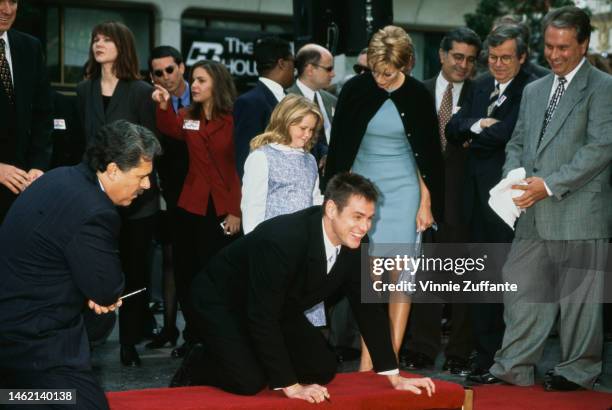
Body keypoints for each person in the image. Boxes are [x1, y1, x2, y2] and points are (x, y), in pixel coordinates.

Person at [171, 172, 436, 403]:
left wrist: (394, 376)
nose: (364, 227)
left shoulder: (356, 244)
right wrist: (292, 386)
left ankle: (244, 353)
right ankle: (199, 361)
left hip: (274, 304)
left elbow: (368, 309)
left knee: (322, 368)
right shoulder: (284, 240)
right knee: (248, 381)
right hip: (220, 299)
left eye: (369, 218)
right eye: (357, 217)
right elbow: (262, 317)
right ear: (331, 209)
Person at [480, 6, 611, 391]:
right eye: (550, 47)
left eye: (564, 47)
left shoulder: (604, 88)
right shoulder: (536, 89)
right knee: (521, 291)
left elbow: (601, 147)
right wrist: (514, 175)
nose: (554, 55)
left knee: (579, 304)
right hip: (531, 209)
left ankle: (577, 371)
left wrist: (548, 184)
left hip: (579, 209)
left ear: (584, 44)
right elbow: (518, 140)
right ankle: (513, 367)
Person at [0, 120, 161, 410]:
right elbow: (107, 289)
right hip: (35, 343)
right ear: (112, 170)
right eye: (141, 176)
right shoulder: (95, 211)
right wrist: (100, 296)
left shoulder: (59, 177)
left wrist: (96, 294)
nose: (147, 185)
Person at [324, 25, 444, 371]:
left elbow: (427, 155)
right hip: (362, 192)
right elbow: (340, 148)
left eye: (388, 73)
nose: (379, 78)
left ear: (405, 64)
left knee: (401, 279)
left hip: (404, 191)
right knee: (370, 282)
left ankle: (384, 364)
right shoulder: (355, 90)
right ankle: (368, 365)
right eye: (375, 70)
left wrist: (426, 203)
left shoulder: (419, 96)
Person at [445, 25, 537, 383]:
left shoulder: (534, 86)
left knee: (508, 285)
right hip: (473, 199)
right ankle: (484, 359)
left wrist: (473, 134)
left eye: (506, 58)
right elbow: (454, 128)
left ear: (523, 57)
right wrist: (481, 124)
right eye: (493, 57)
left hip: (508, 203)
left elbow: (514, 133)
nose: (497, 64)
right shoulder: (480, 84)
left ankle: (510, 358)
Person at [76, 21, 159, 367]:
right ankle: (86, 340)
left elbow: (153, 145)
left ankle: (129, 342)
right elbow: (80, 142)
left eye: (107, 39)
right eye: (95, 38)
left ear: (122, 46)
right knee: (90, 267)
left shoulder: (141, 91)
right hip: (94, 195)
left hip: (136, 201)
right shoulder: (84, 90)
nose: (99, 44)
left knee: (134, 270)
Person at [404, 27, 481, 376]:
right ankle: (421, 348)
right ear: (442, 54)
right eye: (457, 57)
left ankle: (460, 351)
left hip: (464, 200)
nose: (463, 65)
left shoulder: (482, 94)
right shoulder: (414, 91)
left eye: (469, 59)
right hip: (418, 197)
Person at [153, 59, 242, 358]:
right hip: (190, 206)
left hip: (222, 208)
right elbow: (170, 128)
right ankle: (194, 336)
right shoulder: (187, 116)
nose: (195, 85)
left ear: (217, 83)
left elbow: (237, 170)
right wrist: (164, 105)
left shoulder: (233, 119)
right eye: (193, 80)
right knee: (188, 272)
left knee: (215, 274)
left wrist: (236, 211)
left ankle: (220, 336)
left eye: (201, 80)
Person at [145, 45, 190, 353]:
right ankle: (170, 328)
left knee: (193, 261)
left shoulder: (201, 94)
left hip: (202, 191)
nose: (165, 77)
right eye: (158, 73)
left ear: (181, 67)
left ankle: (194, 332)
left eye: (169, 70)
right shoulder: (152, 103)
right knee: (171, 259)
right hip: (167, 190)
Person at [0, 0, 52, 223]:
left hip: (23, 190)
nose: (7, 9)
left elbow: (43, 114)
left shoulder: (30, 47)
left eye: (12, 1)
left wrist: (38, 166)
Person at [241, 94, 323, 234]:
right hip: (271, 240)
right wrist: (253, 245)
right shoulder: (261, 157)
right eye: (303, 128)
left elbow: (315, 200)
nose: (307, 135)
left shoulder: (310, 160)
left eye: (311, 130)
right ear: (285, 122)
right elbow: (252, 207)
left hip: (304, 239)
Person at [233, 36, 294, 179]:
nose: (295, 69)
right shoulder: (250, 102)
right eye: (293, 62)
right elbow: (245, 157)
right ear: (282, 63)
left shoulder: (290, 99)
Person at [286, 43, 336, 169]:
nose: (333, 74)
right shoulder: (286, 99)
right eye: (329, 69)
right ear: (310, 70)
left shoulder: (332, 100)